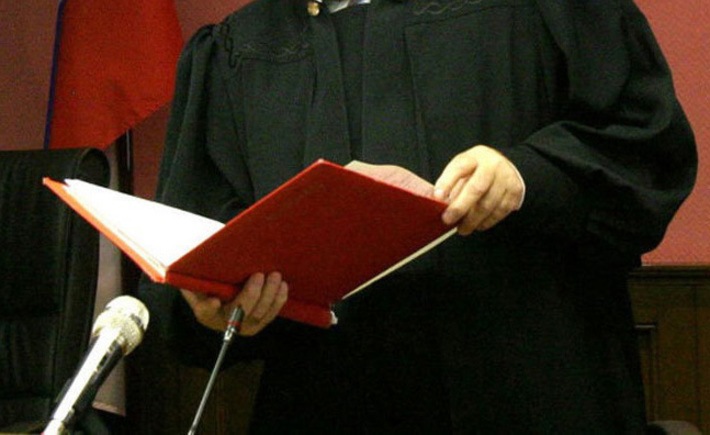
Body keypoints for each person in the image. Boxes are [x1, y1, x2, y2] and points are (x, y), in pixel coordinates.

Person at [137, 0, 697, 432]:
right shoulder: (240, 49)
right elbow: (191, 263)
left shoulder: (538, 10)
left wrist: (527, 175)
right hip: (327, 404)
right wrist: (211, 308)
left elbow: (649, 151)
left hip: (533, 389)